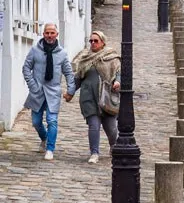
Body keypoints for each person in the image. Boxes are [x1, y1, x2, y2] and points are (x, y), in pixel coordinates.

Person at [22, 23, 76, 161]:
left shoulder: (62, 53)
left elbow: (69, 73)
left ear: (57, 34)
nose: (50, 35)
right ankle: (44, 138)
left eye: (52, 33)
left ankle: (50, 149)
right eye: (47, 33)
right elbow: (26, 68)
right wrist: (32, 85)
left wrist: (71, 90)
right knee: (36, 122)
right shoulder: (35, 50)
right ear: (43, 34)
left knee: (52, 121)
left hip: (53, 92)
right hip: (37, 91)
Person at [69, 30, 121, 164]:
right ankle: (94, 152)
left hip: (106, 97)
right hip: (89, 97)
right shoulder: (85, 58)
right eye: (91, 41)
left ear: (102, 42)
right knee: (94, 125)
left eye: (95, 41)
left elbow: (118, 72)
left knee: (111, 128)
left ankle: (113, 146)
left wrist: (117, 82)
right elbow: (78, 78)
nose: (93, 43)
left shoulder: (111, 57)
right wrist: (71, 92)